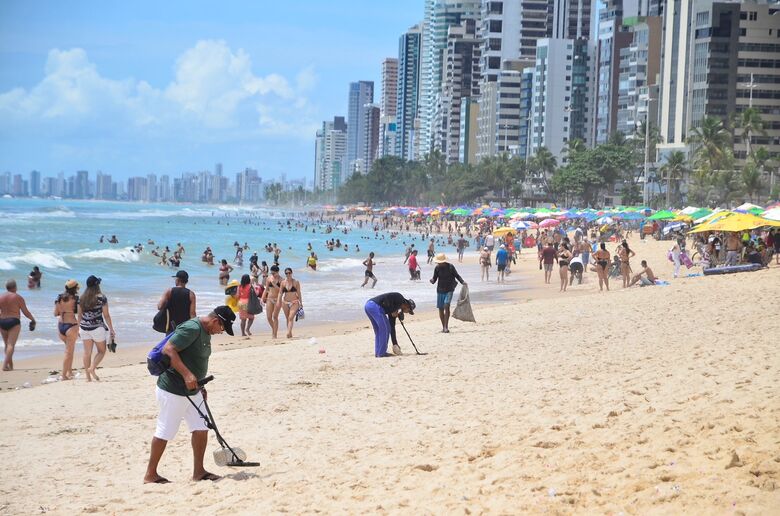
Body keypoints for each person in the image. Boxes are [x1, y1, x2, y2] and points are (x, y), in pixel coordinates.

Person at [143, 306, 235, 484]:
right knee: (166, 430)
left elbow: (194, 358)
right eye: (222, 328)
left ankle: (199, 472)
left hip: (193, 390)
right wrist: (187, 375)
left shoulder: (206, 332)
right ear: (215, 321)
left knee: (201, 427)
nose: (221, 332)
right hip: (173, 389)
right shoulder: (192, 328)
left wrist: (200, 385)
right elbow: (169, 349)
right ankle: (150, 474)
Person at [78, 275, 115, 382]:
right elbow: (106, 315)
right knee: (101, 351)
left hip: (84, 328)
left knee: (87, 353)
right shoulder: (101, 298)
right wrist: (111, 329)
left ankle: (88, 378)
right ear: (97, 285)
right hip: (97, 328)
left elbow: (79, 315)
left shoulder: (82, 298)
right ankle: (92, 368)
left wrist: (78, 328)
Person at [363, 293, 415, 357]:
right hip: (375, 306)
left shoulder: (395, 307)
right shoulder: (400, 298)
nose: (406, 312)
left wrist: (395, 344)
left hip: (368, 306)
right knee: (385, 329)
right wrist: (393, 310)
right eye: (409, 311)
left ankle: (378, 352)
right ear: (407, 305)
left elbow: (392, 327)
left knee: (380, 330)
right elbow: (387, 298)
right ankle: (382, 353)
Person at [1, 279, 36, 371]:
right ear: (15, 287)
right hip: (13, 321)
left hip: (2, 321)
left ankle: (10, 366)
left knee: (7, 345)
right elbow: (25, 312)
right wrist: (33, 319)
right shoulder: (18, 297)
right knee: (11, 345)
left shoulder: (1, 297)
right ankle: (4, 366)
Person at [430, 253, 466, 333]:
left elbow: (457, 275)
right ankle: (443, 327)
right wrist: (432, 280)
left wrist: (462, 282)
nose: (438, 263)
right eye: (438, 262)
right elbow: (434, 279)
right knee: (441, 308)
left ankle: (446, 327)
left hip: (449, 289)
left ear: (444, 261)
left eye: (440, 262)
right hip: (440, 290)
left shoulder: (450, 267)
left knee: (446, 305)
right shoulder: (437, 268)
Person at [54, 279, 80, 380]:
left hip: (61, 326)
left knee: (69, 350)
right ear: (75, 288)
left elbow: (55, 313)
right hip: (71, 325)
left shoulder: (59, 297)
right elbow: (79, 314)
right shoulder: (76, 298)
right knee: (69, 351)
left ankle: (70, 372)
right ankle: (64, 375)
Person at [279, 268, 302, 339]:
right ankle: (290, 333)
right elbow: (280, 293)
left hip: (294, 302)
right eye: (286, 273)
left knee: (290, 317)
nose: (288, 274)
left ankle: (288, 332)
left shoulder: (296, 282)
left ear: (291, 273)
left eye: (289, 273)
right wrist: (279, 301)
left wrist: (301, 303)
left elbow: (299, 293)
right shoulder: (283, 283)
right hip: (285, 302)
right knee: (288, 318)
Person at [262, 265, 283, 338]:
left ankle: (274, 334)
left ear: (278, 272)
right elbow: (266, 289)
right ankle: (274, 329)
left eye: (274, 273)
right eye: (271, 273)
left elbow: (281, 291)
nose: (273, 275)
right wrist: (262, 298)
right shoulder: (269, 278)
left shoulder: (282, 280)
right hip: (269, 299)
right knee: (268, 317)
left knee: (275, 317)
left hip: (277, 299)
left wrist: (274, 284)